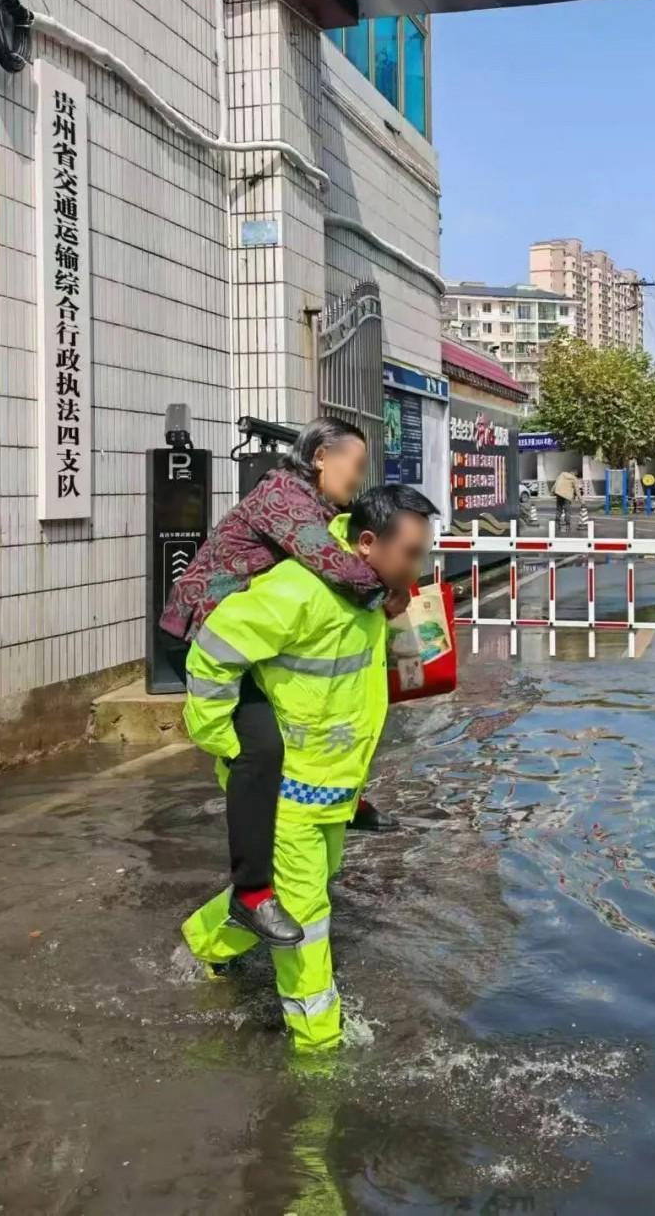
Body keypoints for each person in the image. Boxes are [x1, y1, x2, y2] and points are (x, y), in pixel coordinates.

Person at [180, 484, 439, 1052]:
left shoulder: (368, 589)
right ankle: (317, 1040)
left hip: (333, 784)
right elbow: (214, 649)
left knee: (312, 884)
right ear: (367, 542)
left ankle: (205, 939)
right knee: (305, 912)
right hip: (288, 786)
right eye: (413, 553)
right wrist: (221, 738)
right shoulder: (301, 590)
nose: (420, 566)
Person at [160, 417, 407, 949]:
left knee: (333, 707)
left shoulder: (321, 507)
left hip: (253, 637)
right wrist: (383, 590)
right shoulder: (283, 497)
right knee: (261, 748)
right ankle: (251, 892)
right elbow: (333, 563)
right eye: (355, 466)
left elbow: (352, 543)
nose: (357, 479)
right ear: (321, 457)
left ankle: (343, 798)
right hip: (207, 634)